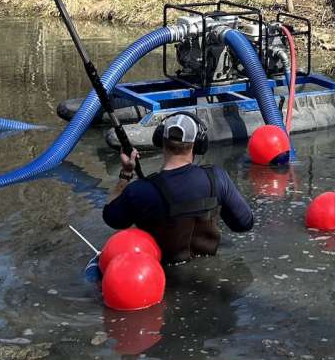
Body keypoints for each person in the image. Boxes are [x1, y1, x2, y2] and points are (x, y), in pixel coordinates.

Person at [103, 112, 254, 263]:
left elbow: (111, 218)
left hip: (162, 274)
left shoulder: (140, 191)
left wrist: (126, 174)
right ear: (198, 144)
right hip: (211, 271)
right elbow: (244, 223)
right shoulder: (217, 178)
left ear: (160, 141)